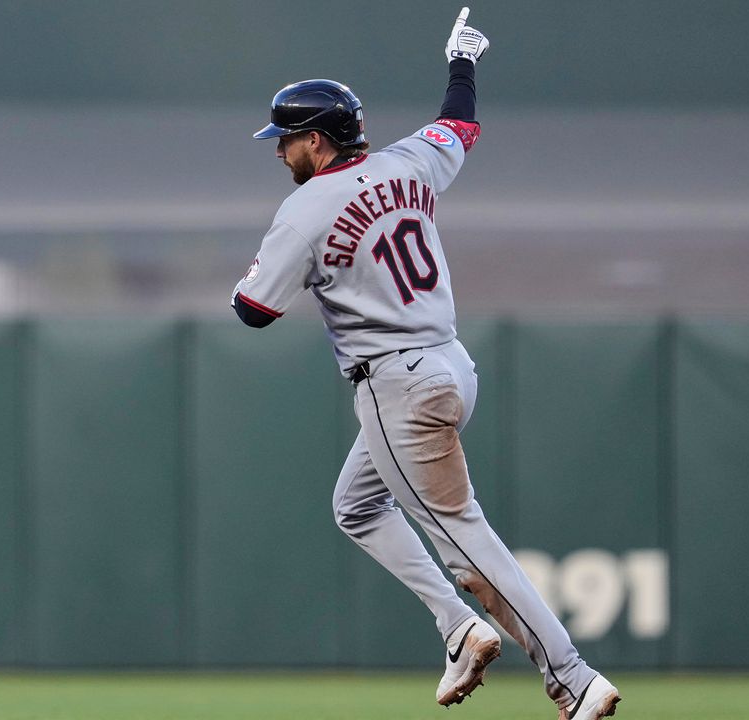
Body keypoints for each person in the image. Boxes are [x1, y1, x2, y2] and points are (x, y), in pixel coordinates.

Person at [229, 8, 620, 719]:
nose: (280, 152)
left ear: (316, 140)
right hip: (451, 367)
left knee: (465, 542)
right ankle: (459, 629)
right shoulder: (410, 162)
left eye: (286, 140)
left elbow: (253, 311)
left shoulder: (307, 210)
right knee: (356, 505)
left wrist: (293, 268)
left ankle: (573, 676)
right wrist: (462, 61)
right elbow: (459, 124)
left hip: (397, 385)